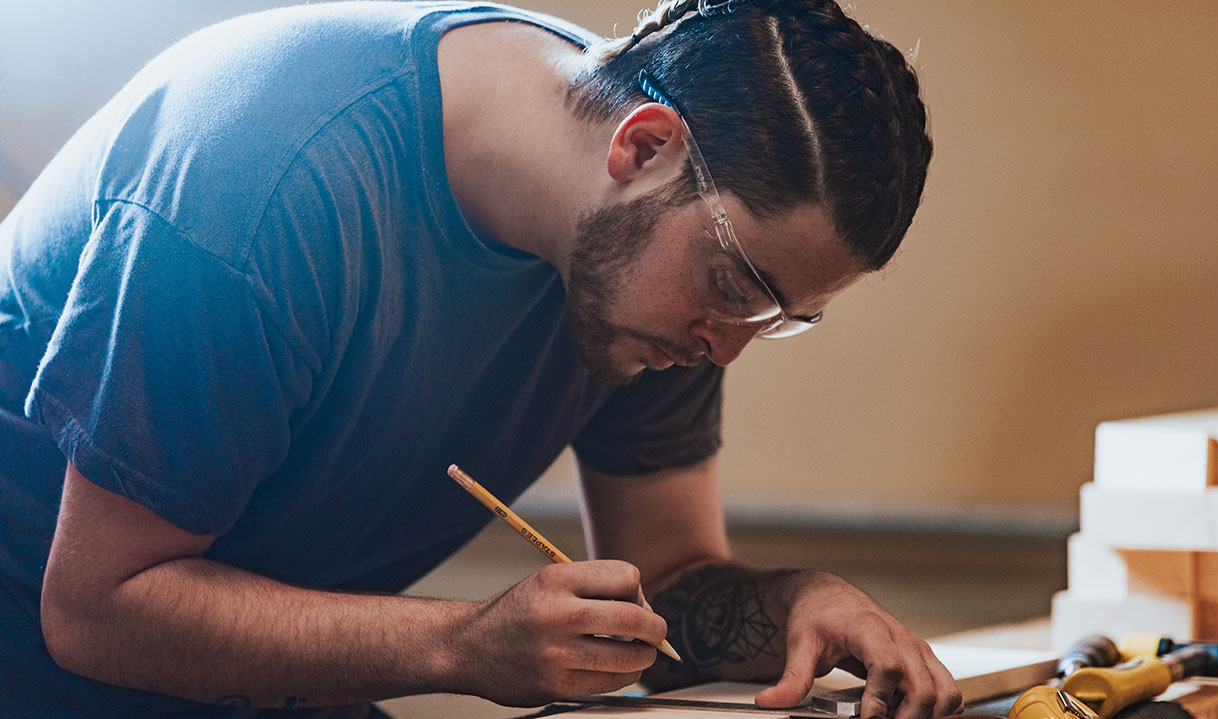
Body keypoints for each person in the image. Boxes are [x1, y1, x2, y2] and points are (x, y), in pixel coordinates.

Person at [0, 0, 953, 717]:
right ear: (645, 146)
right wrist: (461, 645)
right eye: (738, 285)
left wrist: (796, 599)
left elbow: (664, 576)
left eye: (783, 315)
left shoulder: (645, 276)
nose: (729, 347)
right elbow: (95, 609)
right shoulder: (261, 190)